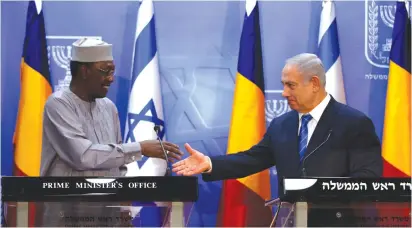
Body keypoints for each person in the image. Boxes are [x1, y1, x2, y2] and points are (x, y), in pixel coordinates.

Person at [172, 53, 383, 226]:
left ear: (315, 84)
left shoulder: (354, 123)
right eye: (283, 85)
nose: (284, 93)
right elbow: (253, 159)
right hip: (293, 221)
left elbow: (367, 179)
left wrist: (317, 189)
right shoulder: (283, 124)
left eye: (291, 85)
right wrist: (210, 163)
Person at [39, 38, 183, 227]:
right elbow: (82, 156)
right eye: (105, 71)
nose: (111, 78)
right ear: (84, 70)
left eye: (112, 71)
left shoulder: (109, 107)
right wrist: (140, 148)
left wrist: (123, 210)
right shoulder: (58, 104)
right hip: (67, 216)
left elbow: (118, 166)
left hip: (107, 218)